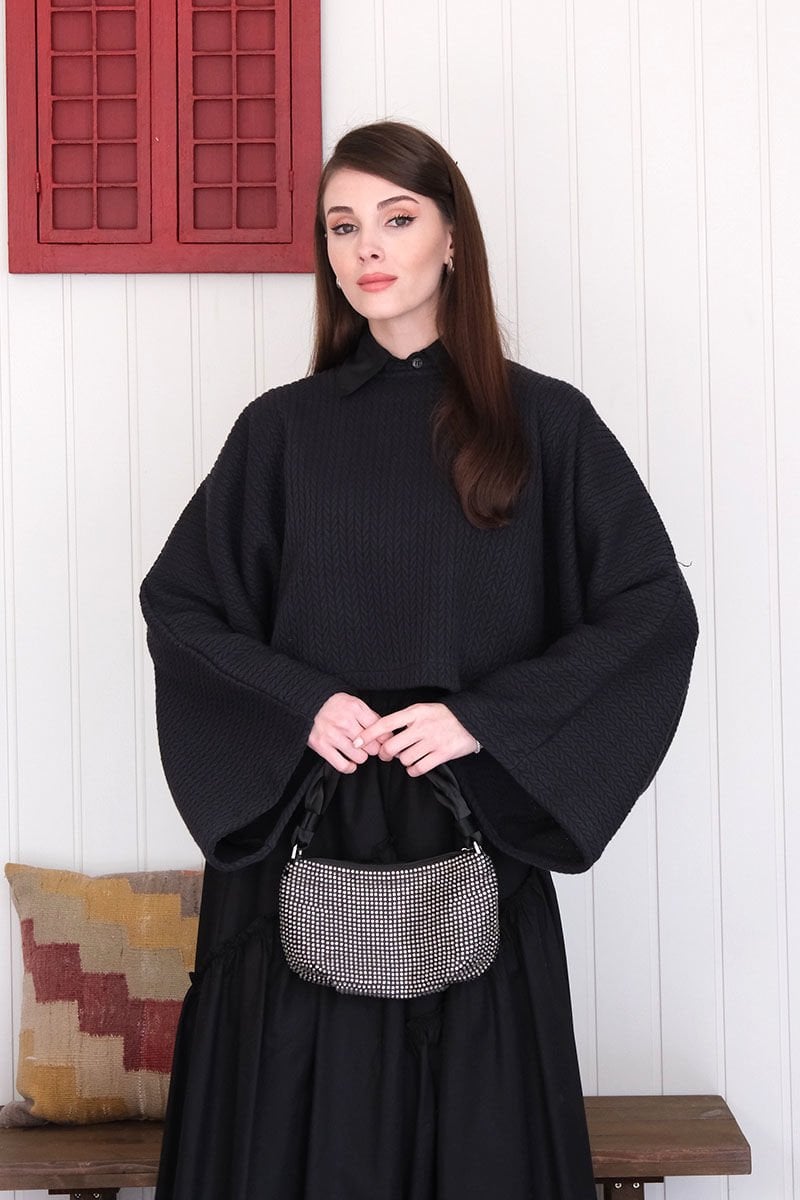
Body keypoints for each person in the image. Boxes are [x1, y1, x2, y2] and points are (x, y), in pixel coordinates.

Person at [140, 120, 698, 1200]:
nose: (366, 248)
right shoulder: (282, 430)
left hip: (468, 825)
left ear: (451, 239)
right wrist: (304, 703)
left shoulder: (543, 424)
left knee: (473, 1137)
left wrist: (482, 716)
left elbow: (647, 613)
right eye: (341, 226)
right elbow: (181, 605)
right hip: (305, 824)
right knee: (290, 1133)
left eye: (395, 219)